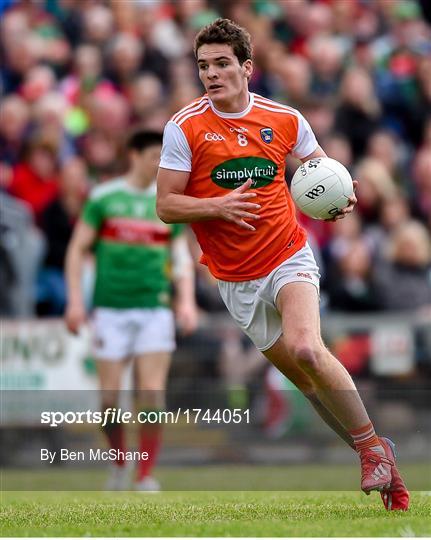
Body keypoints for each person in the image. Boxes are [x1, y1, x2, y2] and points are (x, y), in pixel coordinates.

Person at [156, 18, 409, 510]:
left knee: (307, 349)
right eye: (204, 66)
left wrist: (343, 196)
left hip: (287, 254)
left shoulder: (286, 119)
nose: (211, 74)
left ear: (246, 67)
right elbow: (166, 206)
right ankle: (377, 453)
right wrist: (216, 206)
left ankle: (372, 452)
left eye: (222, 64)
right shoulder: (183, 127)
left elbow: (323, 171)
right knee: (306, 382)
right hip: (234, 279)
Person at [65, 130, 198, 491]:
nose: (160, 162)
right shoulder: (104, 198)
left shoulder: (168, 202)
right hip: (110, 309)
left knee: (152, 393)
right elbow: (77, 249)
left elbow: (181, 257)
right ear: (134, 156)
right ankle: (120, 463)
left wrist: (186, 301)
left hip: (154, 308)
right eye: (155, 154)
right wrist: (76, 300)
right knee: (109, 401)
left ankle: (145, 474)